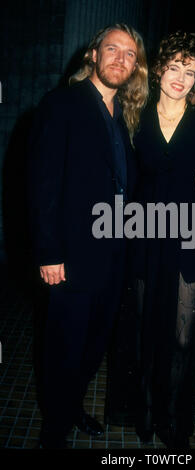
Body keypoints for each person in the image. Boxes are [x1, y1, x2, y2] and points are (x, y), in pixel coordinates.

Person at [27, 23, 148, 449]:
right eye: (111, 49)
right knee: (63, 346)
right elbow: (42, 183)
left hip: (112, 256)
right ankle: (54, 430)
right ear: (93, 55)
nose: (120, 58)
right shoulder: (62, 103)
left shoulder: (124, 117)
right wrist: (48, 252)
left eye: (129, 54)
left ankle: (72, 406)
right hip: (71, 255)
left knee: (93, 343)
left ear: (136, 66)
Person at [130, 30, 195, 448]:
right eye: (175, 67)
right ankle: (146, 413)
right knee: (146, 330)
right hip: (144, 235)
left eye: (190, 71)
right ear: (160, 69)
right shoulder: (137, 113)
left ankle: (172, 418)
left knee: (183, 336)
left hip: (189, 235)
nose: (181, 77)